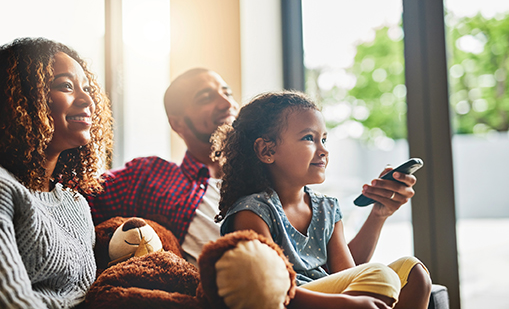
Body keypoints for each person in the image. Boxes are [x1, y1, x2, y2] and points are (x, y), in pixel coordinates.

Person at [87, 67, 419, 267]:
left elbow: (335, 271)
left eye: (227, 92)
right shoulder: (152, 176)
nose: (226, 102)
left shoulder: (284, 177)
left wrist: (379, 213)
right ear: (178, 123)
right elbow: (76, 194)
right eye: (205, 97)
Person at [213, 91, 432, 309]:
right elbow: (266, 291)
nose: (324, 150)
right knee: (380, 274)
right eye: (309, 138)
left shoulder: (326, 208)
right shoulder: (252, 212)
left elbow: (349, 274)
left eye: (324, 139)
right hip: (290, 301)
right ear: (266, 149)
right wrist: (344, 304)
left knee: (414, 272)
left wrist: (378, 214)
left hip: (330, 298)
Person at [0, 38, 113, 308]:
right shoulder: (4, 188)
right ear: (21, 99)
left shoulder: (77, 205)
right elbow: (11, 300)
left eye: (87, 88)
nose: (87, 99)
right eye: (66, 86)